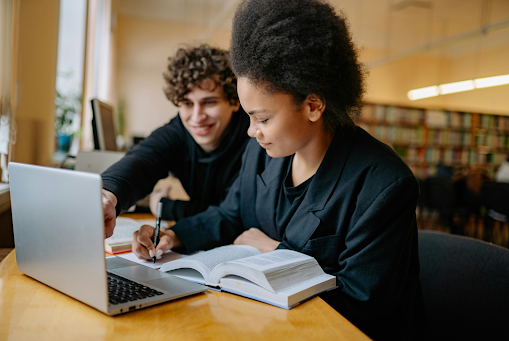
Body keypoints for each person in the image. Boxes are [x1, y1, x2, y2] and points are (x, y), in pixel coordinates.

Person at [132, 1, 425, 339]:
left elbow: (361, 302)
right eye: (249, 117)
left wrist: (273, 252)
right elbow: (230, 214)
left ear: (313, 105)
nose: (251, 131)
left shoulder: (383, 184)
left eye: (263, 118)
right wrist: (175, 235)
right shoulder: (263, 151)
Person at [101, 45, 250, 238]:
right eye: (188, 103)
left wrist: (166, 206)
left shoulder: (256, 135)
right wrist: (107, 196)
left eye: (209, 102)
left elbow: (235, 215)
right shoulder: (177, 131)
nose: (197, 117)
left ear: (235, 101)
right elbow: (142, 160)